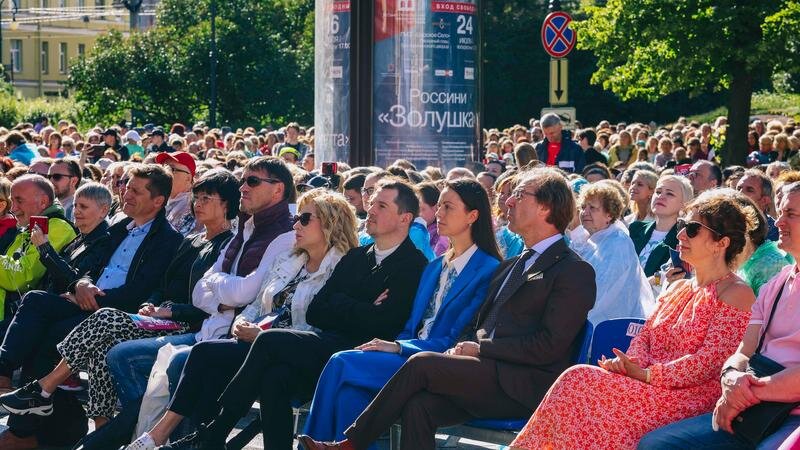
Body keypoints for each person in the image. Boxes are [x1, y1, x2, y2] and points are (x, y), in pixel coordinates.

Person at [299, 168, 596, 450]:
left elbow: (549, 346)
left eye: (519, 195)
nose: (507, 201)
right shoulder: (510, 266)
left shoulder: (572, 270)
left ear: (545, 207)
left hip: (523, 385)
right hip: (485, 373)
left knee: (421, 363)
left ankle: (349, 444)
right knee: (418, 406)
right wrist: (462, 347)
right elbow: (476, 326)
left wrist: (480, 349)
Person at [160, 179, 428, 450]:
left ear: (404, 218)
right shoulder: (357, 256)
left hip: (358, 353)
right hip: (326, 342)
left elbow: (383, 324)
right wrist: (363, 305)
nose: (370, 210)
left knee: (268, 340)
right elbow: (317, 311)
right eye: (372, 203)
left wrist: (342, 304)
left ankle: (215, 433)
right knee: (275, 377)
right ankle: (217, 437)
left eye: (381, 206)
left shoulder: (414, 264)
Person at [511, 194, 757, 450]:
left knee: (579, 382)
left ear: (721, 243)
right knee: (578, 382)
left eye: (693, 229)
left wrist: (648, 374)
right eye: (682, 225)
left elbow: (709, 363)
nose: (681, 234)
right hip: (649, 385)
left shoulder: (737, 293)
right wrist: (631, 365)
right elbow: (645, 336)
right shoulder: (678, 287)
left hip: (688, 397)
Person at [0, 171, 238, 433]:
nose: (126, 194)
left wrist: (164, 309)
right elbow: (103, 270)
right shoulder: (126, 229)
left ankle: (46, 397)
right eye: (197, 197)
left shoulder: (188, 241)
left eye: (136, 191)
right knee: (36, 303)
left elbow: (173, 294)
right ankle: (10, 380)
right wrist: (83, 285)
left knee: (71, 330)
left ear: (158, 201)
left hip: (154, 316)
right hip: (126, 308)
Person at [125, 189, 359, 450]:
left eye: (305, 219)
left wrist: (262, 335)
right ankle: (188, 438)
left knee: (261, 373)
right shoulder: (288, 259)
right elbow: (257, 304)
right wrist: (241, 323)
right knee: (206, 355)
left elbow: (324, 327)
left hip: (297, 353)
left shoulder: (344, 268)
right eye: (297, 218)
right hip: (260, 345)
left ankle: (201, 437)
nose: (296, 225)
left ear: (330, 223)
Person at [301, 178, 502, 445]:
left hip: (438, 362)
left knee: (340, 362)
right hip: (409, 352)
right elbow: (411, 326)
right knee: (350, 395)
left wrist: (399, 347)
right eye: (439, 206)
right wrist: (397, 345)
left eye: (448, 207)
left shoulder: (489, 269)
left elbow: (455, 338)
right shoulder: (434, 266)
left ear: (472, 216)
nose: (438, 213)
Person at [638, 182, 800, 450]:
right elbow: (743, 351)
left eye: (791, 214)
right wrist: (732, 377)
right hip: (755, 404)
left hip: (789, 413)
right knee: (655, 443)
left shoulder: (739, 289)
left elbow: (704, 363)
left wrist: (744, 392)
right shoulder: (778, 283)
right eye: (781, 212)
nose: (779, 222)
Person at [569, 181, 655, 324]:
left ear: (609, 214)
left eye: (593, 208)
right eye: (583, 207)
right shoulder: (587, 239)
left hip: (609, 324)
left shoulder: (618, 243)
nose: (585, 212)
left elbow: (603, 290)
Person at [0, 175, 76, 322]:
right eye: (12, 201)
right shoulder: (26, 228)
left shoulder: (58, 227)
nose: (13, 209)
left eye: (19, 201)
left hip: (20, 321)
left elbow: (23, 277)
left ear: (43, 202)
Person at [630, 175, 694, 277]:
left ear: (684, 204)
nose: (660, 197)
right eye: (658, 192)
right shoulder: (635, 228)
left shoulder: (685, 239)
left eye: (669, 194)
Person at [156, 152, 202, 236]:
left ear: (188, 178)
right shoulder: (160, 201)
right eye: (163, 167)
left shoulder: (195, 207)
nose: (165, 174)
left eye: (172, 169)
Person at [736, 169, 779, 241]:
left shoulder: (775, 233)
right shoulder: (726, 223)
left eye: (749, 190)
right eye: (738, 188)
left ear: (764, 200)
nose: (740, 193)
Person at [493, 173, 524, 258]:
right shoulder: (495, 222)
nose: (504, 197)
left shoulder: (521, 233)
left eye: (510, 194)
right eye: (502, 192)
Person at [47, 157, 81, 222]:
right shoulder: (47, 206)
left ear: (73, 181)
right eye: (49, 177)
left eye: (57, 177)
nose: (50, 181)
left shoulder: (79, 208)